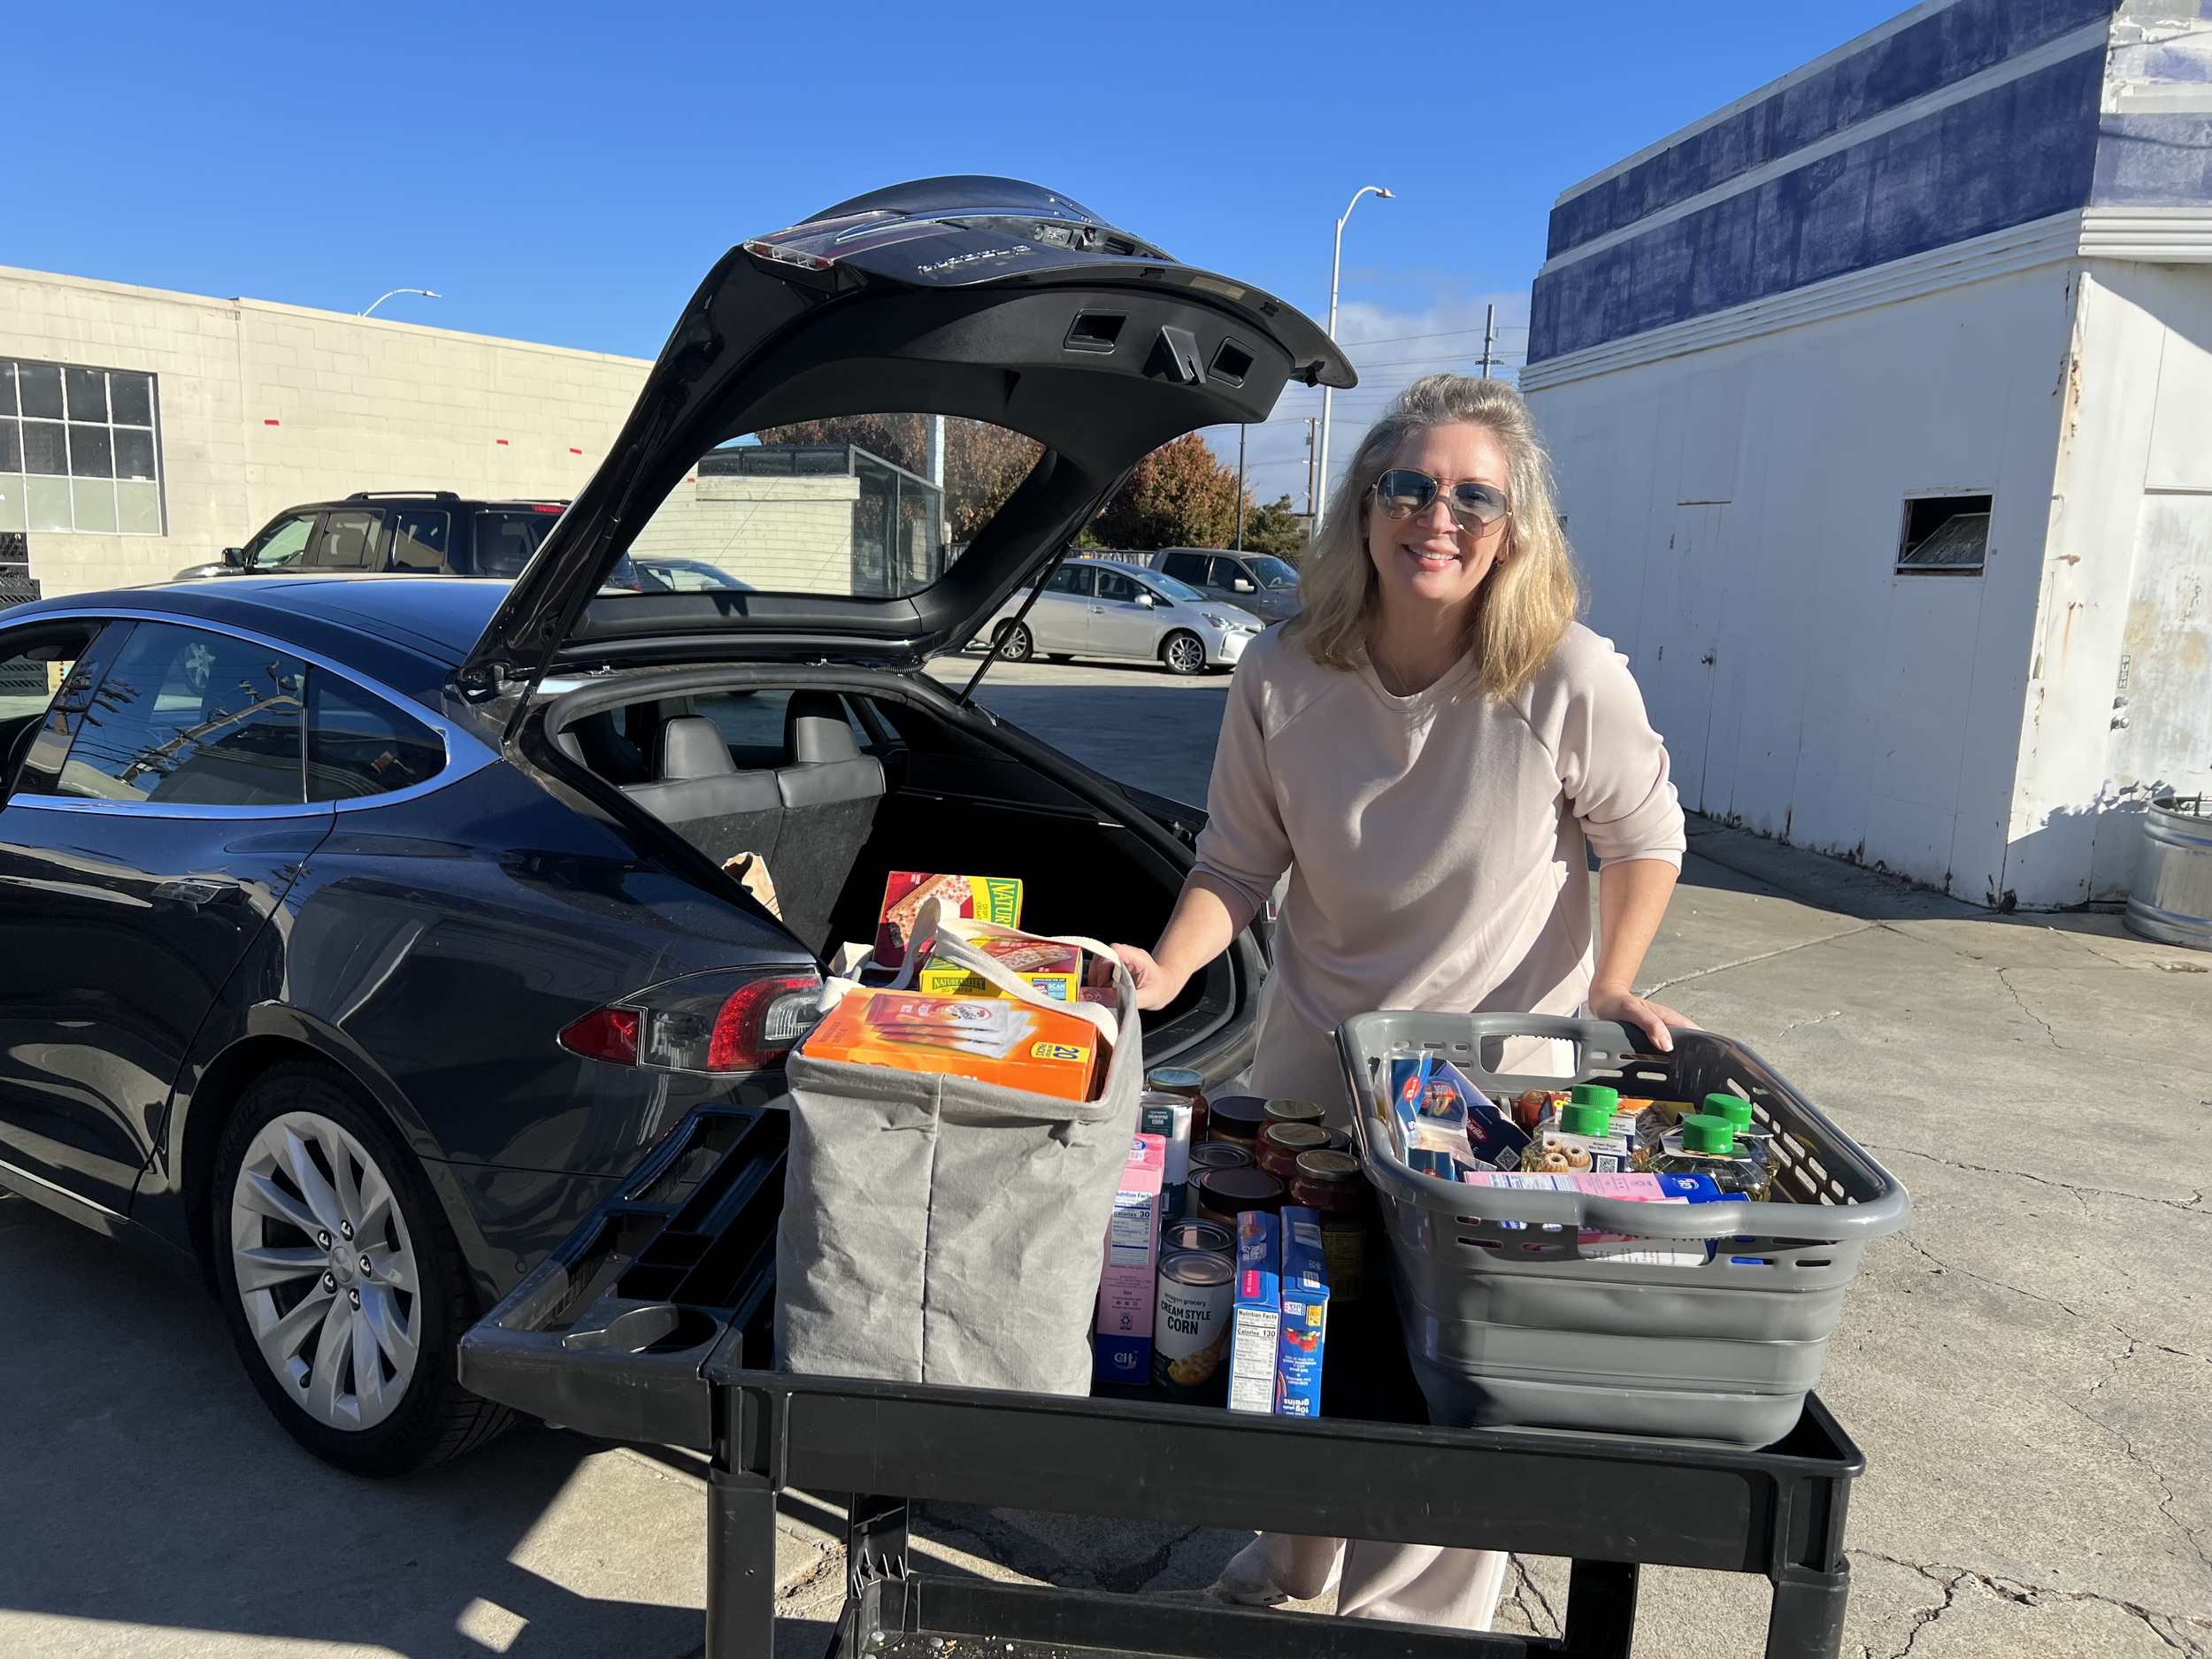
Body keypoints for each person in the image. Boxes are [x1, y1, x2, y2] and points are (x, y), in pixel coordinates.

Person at [1110, 373, 1691, 1629]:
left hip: (1493, 1084)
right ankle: (1293, 1552)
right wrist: (1163, 969)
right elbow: (1235, 862)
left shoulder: (1565, 675)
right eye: (1411, 486)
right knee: (1301, 1330)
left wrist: (1615, 981)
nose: (1440, 514)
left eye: (1476, 494)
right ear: (1364, 509)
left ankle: (1412, 1625)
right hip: (1315, 1055)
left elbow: (1647, 835)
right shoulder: (1279, 671)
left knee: (1455, 1370)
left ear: (1516, 527)